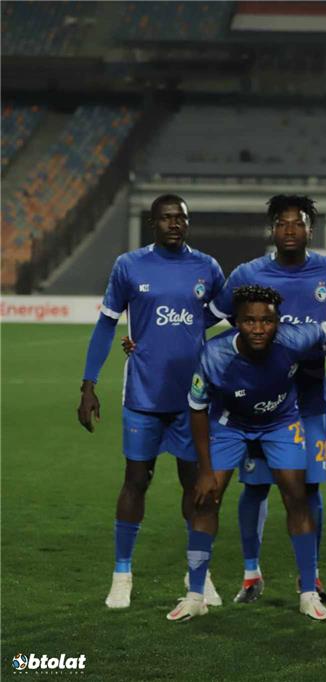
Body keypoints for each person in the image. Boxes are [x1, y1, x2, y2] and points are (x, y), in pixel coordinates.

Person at [170, 285, 326, 622]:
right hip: (229, 425)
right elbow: (196, 409)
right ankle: (196, 595)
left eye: (267, 321)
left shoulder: (295, 338)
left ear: (278, 322)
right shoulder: (215, 354)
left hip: (281, 423)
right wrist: (205, 470)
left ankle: (308, 594)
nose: (258, 329)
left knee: (297, 497)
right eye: (249, 321)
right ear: (236, 321)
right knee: (207, 500)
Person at [79, 194, 225, 610]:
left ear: (188, 223)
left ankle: (198, 573)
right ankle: (121, 574)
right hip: (143, 395)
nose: (174, 224)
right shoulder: (129, 265)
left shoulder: (207, 267)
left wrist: (192, 332)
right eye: (166, 218)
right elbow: (106, 325)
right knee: (135, 481)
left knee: (196, 486)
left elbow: (224, 313)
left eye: (181, 218)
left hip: (192, 399)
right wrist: (88, 385)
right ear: (152, 223)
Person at [208, 195, 326, 605]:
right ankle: (251, 574)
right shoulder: (248, 273)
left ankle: (312, 575)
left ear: (310, 230)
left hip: (309, 395)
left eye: (298, 223)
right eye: (282, 223)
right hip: (256, 401)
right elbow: (214, 317)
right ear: (272, 229)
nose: (290, 230)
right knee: (255, 488)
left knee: (310, 487)